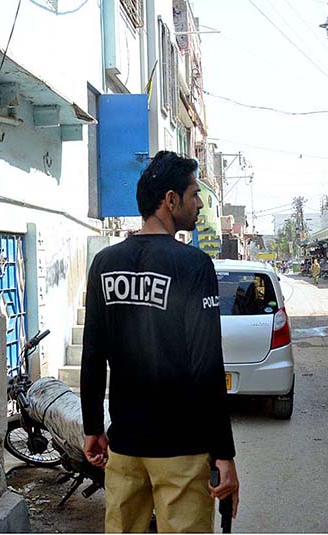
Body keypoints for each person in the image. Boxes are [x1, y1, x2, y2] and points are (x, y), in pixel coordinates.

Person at [80, 151, 239, 533]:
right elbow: (206, 367)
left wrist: (92, 428)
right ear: (170, 201)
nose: (199, 203)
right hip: (181, 451)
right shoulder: (193, 265)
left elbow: (93, 354)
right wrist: (224, 454)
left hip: (125, 447)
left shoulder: (104, 264)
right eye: (194, 194)